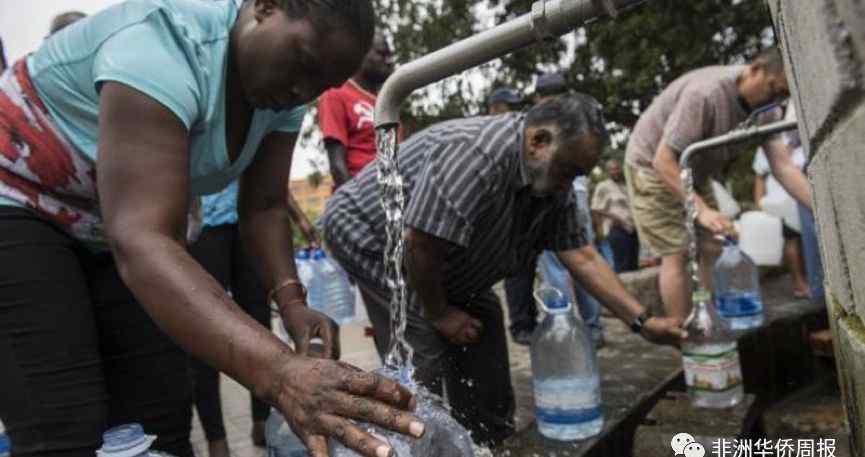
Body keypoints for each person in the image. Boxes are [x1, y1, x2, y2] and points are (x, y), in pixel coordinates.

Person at [0, 1, 425, 457]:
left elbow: (263, 206)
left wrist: (292, 300)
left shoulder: (287, 94)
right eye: (303, 64)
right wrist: (281, 373)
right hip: (18, 199)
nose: (303, 91)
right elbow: (143, 240)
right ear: (265, 7)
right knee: (63, 422)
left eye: (321, 85)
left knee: (158, 417)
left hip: (106, 222)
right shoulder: (164, 44)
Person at [322, 93, 685, 447]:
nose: (568, 184)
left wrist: (643, 322)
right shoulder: (476, 154)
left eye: (578, 175)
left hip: (448, 257)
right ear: (538, 142)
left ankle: (490, 440)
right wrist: (442, 313)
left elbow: (582, 256)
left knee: (484, 348)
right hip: (371, 234)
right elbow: (421, 246)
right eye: (568, 171)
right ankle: (415, 442)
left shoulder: (554, 183)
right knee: (423, 357)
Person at [624, 47, 813, 324]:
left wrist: (822, 210)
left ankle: (712, 321)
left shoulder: (767, 111)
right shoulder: (707, 94)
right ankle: (683, 336)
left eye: (783, 95)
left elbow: (784, 168)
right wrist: (701, 211)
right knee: (676, 252)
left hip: (693, 173)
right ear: (755, 69)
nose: (776, 99)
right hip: (652, 167)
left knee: (716, 243)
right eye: (774, 89)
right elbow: (663, 161)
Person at [188, 181, 319, 457]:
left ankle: (262, 420)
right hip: (202, 224)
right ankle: (216, 437)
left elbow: (270, 179)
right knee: (203, 331)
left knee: (260, 323)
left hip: (248, 221)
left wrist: (299, 218)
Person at [504, 72, 607, 347]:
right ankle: (591, 328)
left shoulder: (538, 124)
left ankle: (564, 328)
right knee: (582, 258)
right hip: (575, 194)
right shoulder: (579, 116)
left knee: (558, 265)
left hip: (560, 198)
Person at [319, 32, 394, 190]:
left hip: (392, 198)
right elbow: (337, 166)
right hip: (359, 199)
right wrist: (358, 206)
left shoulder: (389, 102)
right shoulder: (336, 94)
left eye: (390, 55)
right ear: (361, 54)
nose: (389, 61)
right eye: (382, 54)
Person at [592, 158, 639, 272]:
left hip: (632, 229)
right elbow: (596, 208)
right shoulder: (603, 186)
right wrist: (614, 218)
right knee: (622, 264)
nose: (615, 172)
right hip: (617, 229)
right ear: (607, 172)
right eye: (611, 170)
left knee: (633, 264)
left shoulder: (626, 185)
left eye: (617, 168)